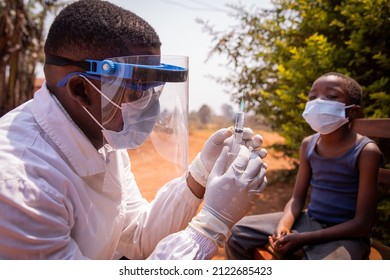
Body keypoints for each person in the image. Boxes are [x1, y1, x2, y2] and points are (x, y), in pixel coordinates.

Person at [0, 0, 267, 260]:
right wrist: (210, 226)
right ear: (81, 89)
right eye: (135, 88)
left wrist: (199, 177)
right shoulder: (21, 186)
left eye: (152, 89)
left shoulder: (102, 137)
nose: (148, 103)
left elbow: (136, 237)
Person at [225, 72, 383, 260]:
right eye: (312, 97)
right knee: (235, 234)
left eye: (331, 96)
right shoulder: (308, 144)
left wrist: (304, 239)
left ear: (352, 111)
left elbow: (363, 224)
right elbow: (296, 199)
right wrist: (283, 226)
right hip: (308, 221)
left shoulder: (366, 151)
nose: (318, 102)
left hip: (347, 235)